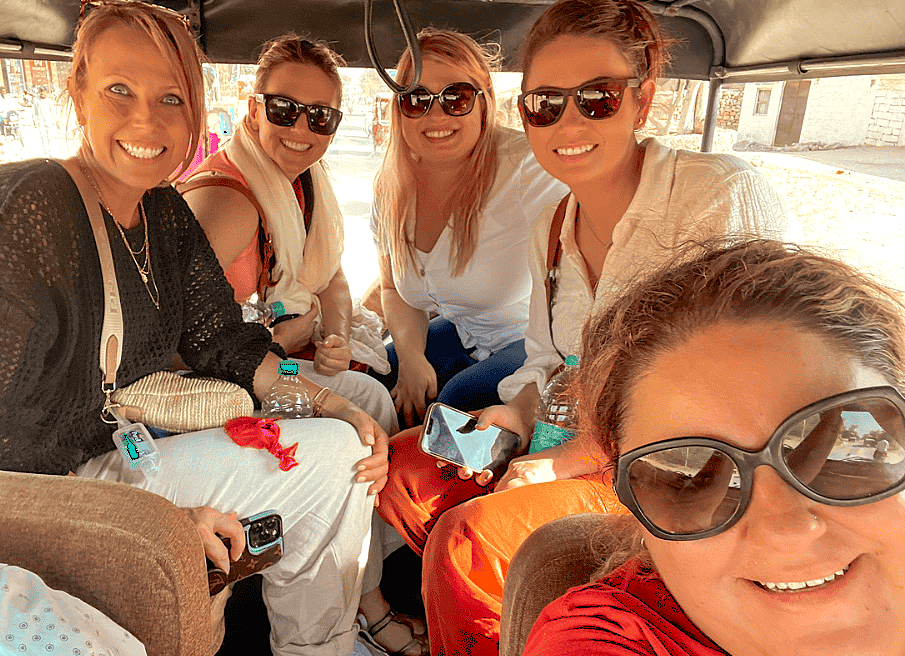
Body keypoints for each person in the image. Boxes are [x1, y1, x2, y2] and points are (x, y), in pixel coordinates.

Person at [376, 2, 793, 654]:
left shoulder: (714, 196)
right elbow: (542, 361)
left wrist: (568, 460)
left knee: (468, 536)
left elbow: (739, 393)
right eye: (545, 102)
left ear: (642, 98)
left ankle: (478, 605)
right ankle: (485, 615)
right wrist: (512, 417)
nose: (567, 122)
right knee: (407, 461)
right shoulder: (553, 227)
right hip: (555, 433)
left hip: (672, 473)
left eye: (595, 98)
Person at [0, 3, 388, 655]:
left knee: (339, 456)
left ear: (197, 113)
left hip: (114, 454)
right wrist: (144, 524)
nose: (145, 119)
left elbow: (224, 345)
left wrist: (335, 403)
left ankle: (322, 646)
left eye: (171, 97)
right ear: (79, 94)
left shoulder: (162, 212)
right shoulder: (31, 211)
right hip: (41, 496)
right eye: (119, 90)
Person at [524, 238, 905, 656]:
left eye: (851, 443)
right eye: (674, 474)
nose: (788, 531)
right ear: (633, 509)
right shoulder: (606, 637)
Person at [182, 34, 397, 435]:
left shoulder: (304, 183)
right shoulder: (227, 203)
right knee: (368, 399)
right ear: (253, 110)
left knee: (373, 386)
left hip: (279, 349)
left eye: (320, 116)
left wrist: (336, 338)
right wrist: (277, 339)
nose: (302, 128)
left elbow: (331, 275)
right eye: (283, 109)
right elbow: (170, 341)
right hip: (216, 378)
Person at [369, 28, 568, 427]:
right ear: (398, 109)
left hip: (530, 342)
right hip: (462, 332)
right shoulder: (392, 185)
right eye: (416, 99)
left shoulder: (530, 170)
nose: (436, 114)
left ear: (484, 102)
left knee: (453, 404)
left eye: (456, 97)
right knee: (377, 377)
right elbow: (394, 289)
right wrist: (410, 359)